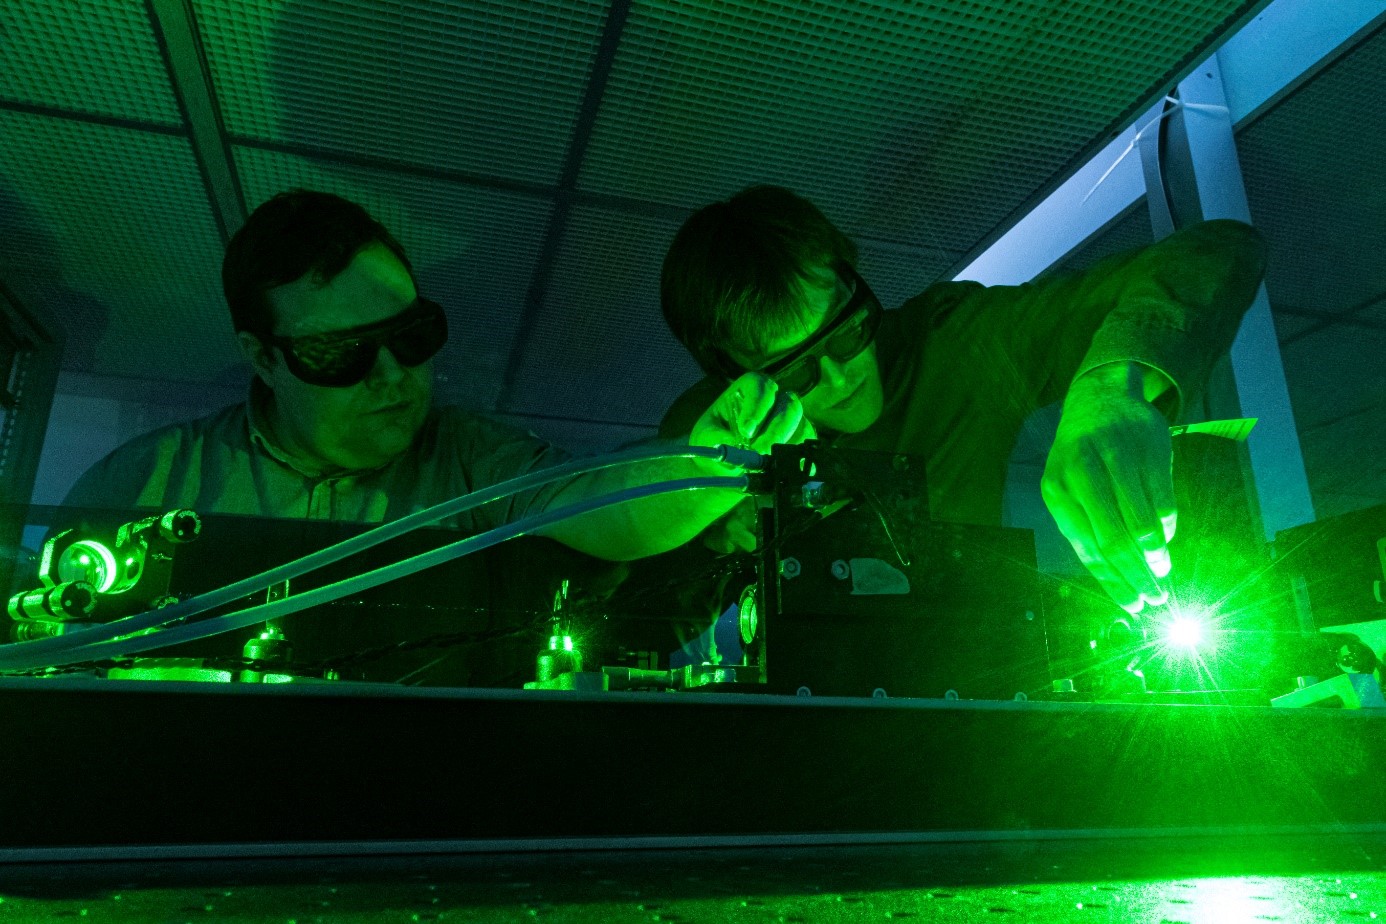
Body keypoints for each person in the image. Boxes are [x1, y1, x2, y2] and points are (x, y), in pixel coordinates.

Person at [62, 190, 805, 563]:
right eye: (341, 354)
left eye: (411, 337)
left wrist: (703, 467)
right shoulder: (139, 486)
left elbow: (597, 506)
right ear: (262, 356)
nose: (392, 375)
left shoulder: (475, 463)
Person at [657, 185, 1268, 614]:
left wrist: (1111, 388)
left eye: (847, 332)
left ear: (854, 281)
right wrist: (702, 518)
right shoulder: (709, 432)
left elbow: (1218, 249)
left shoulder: (956, 341)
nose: (840, 379)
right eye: (793, 374)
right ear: (729, 375)